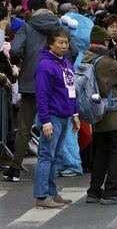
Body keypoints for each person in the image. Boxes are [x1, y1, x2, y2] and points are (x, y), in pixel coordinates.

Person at [4, 0, 77, 183]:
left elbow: (14, 51)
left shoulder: (27, 27)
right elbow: (73, 51)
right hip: (57, 84)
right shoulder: (60, 28)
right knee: (58, 125)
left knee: (24, 128)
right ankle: (57, 167)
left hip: (31, 82)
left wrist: (19, 63)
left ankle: (15, 168)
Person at [83, 26, 117, 204]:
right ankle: (111, 191)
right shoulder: (105, 62)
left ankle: (94, 190)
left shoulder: (87, 59)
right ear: (105, 41)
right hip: (113, 113)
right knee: (116, 152)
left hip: (97, 112)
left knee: (100, 153)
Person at [32, 27, 80, 208]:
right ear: (51, 44)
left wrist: (74, 113)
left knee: (55, 156)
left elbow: (71, 90)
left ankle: (52, 193)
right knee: (46, 155)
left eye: (66, 42)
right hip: (51, 116)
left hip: (64, 115)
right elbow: (41, 95)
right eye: (60, 42)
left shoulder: (66, 63)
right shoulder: (45, 66)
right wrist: (45, 121)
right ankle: (42, 196)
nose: (64, 46)